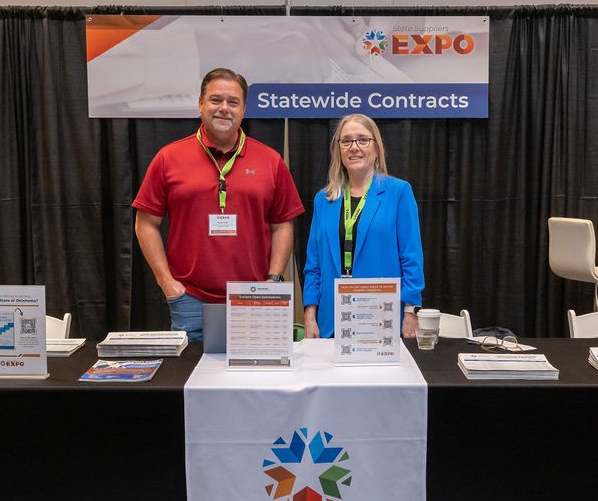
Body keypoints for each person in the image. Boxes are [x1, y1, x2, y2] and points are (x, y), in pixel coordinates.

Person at [132, 68, 305, 341]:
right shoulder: (169, 157)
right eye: (216, 100)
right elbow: (145, 224)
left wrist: (273, 281)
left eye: (233, 102)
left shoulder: (270, 160)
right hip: (190, 299)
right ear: (200, 103)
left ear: (244, 109)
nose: (224, 108)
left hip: (253, 298)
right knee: (188, 380)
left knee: (254, 381)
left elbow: (282, 224)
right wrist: (166, 282)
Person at [302, 114, 425, 339]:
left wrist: (410, 311)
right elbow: (314, 264)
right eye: (346, 141)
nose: (354, 147)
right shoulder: (324, 199)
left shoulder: (398, 192)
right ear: (338, 149)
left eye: (362, 140)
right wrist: (310, 314)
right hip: (332, 320)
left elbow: (411, 257)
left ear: (376, 148)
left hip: (380, 318)